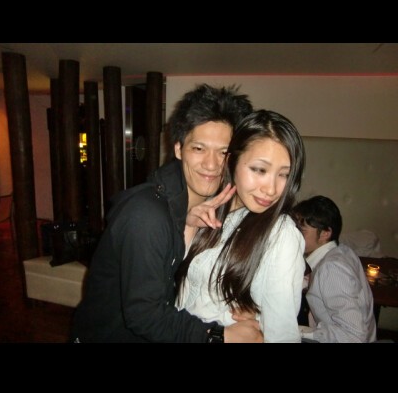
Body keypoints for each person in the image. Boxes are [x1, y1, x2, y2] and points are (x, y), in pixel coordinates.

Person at [70, 83, 263, 343]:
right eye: (199, 148)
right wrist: (218, 336)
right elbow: (144, 315)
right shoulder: (146, 215)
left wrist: (234, 307)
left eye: (224, 152)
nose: (211, 164)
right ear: (178, 149)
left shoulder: (195, 211)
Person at [176, 109, 307, 343]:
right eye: (259, 170)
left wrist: (259, 320)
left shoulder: (281, 234)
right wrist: (188, 226)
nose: (271, 189)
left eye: (284, 175)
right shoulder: (209, 209)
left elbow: (282, 335)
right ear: (232, 161)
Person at [292, 195, 377, 343]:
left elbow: (354, 335)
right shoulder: (343, 251)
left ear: (325, 233)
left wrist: (297, 331)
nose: (294, 235)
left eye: (301, 231)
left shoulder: (331, 269)